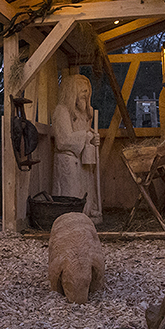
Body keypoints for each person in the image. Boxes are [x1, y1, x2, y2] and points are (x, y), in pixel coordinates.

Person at [51, 74, 101, 220]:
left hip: (82, 160)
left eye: (87, 92)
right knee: (71, 193)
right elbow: (63, 140)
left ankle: (88, 210)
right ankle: (73, 217)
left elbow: (86, 134)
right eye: (82, 92)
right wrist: (86, 136)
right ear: (72, 92)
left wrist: (93, 138)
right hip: (68, 161)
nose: (85, 95)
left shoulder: (84, 114)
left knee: (86, 188)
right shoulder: (62, 111)